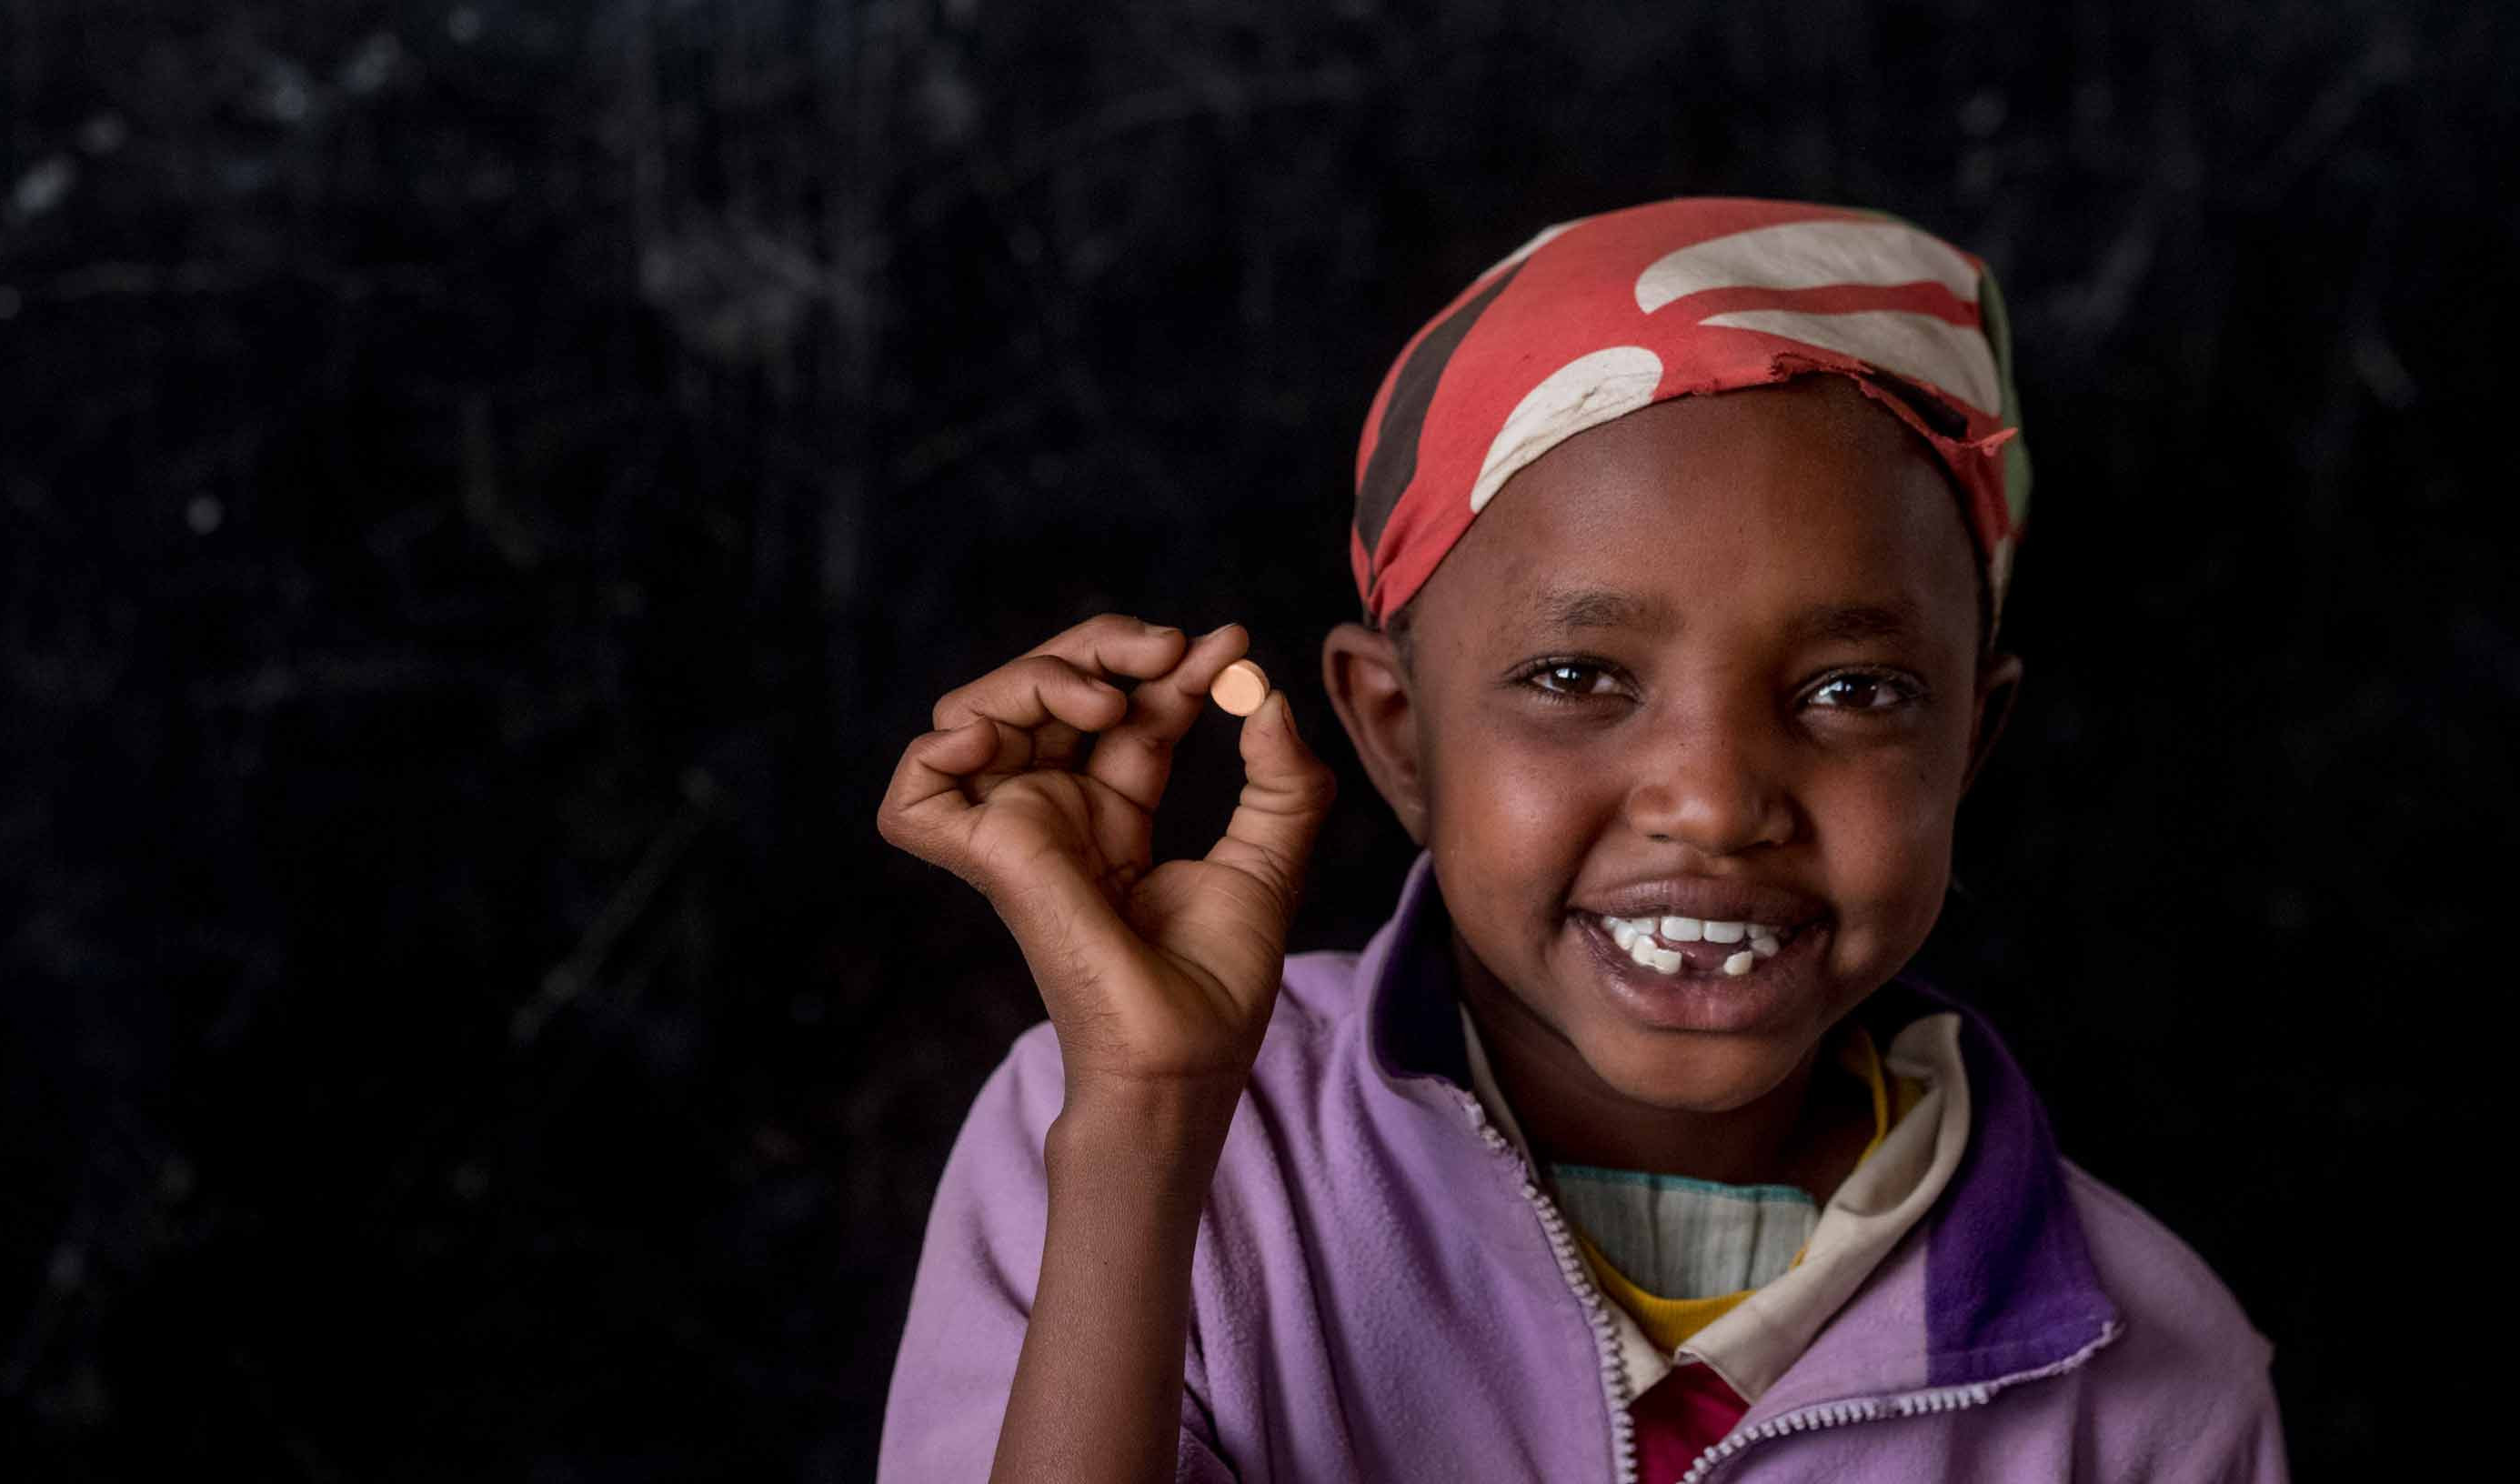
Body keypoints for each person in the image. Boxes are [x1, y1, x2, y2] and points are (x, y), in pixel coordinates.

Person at [874, 197, 2285, 1482]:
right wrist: (1147, 1126)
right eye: (1578, 678)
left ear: (1970, 742)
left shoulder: (2150, 1378)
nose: (1716, 800)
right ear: (1396, 733)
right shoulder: (1141, 1142)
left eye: (1853, 693)